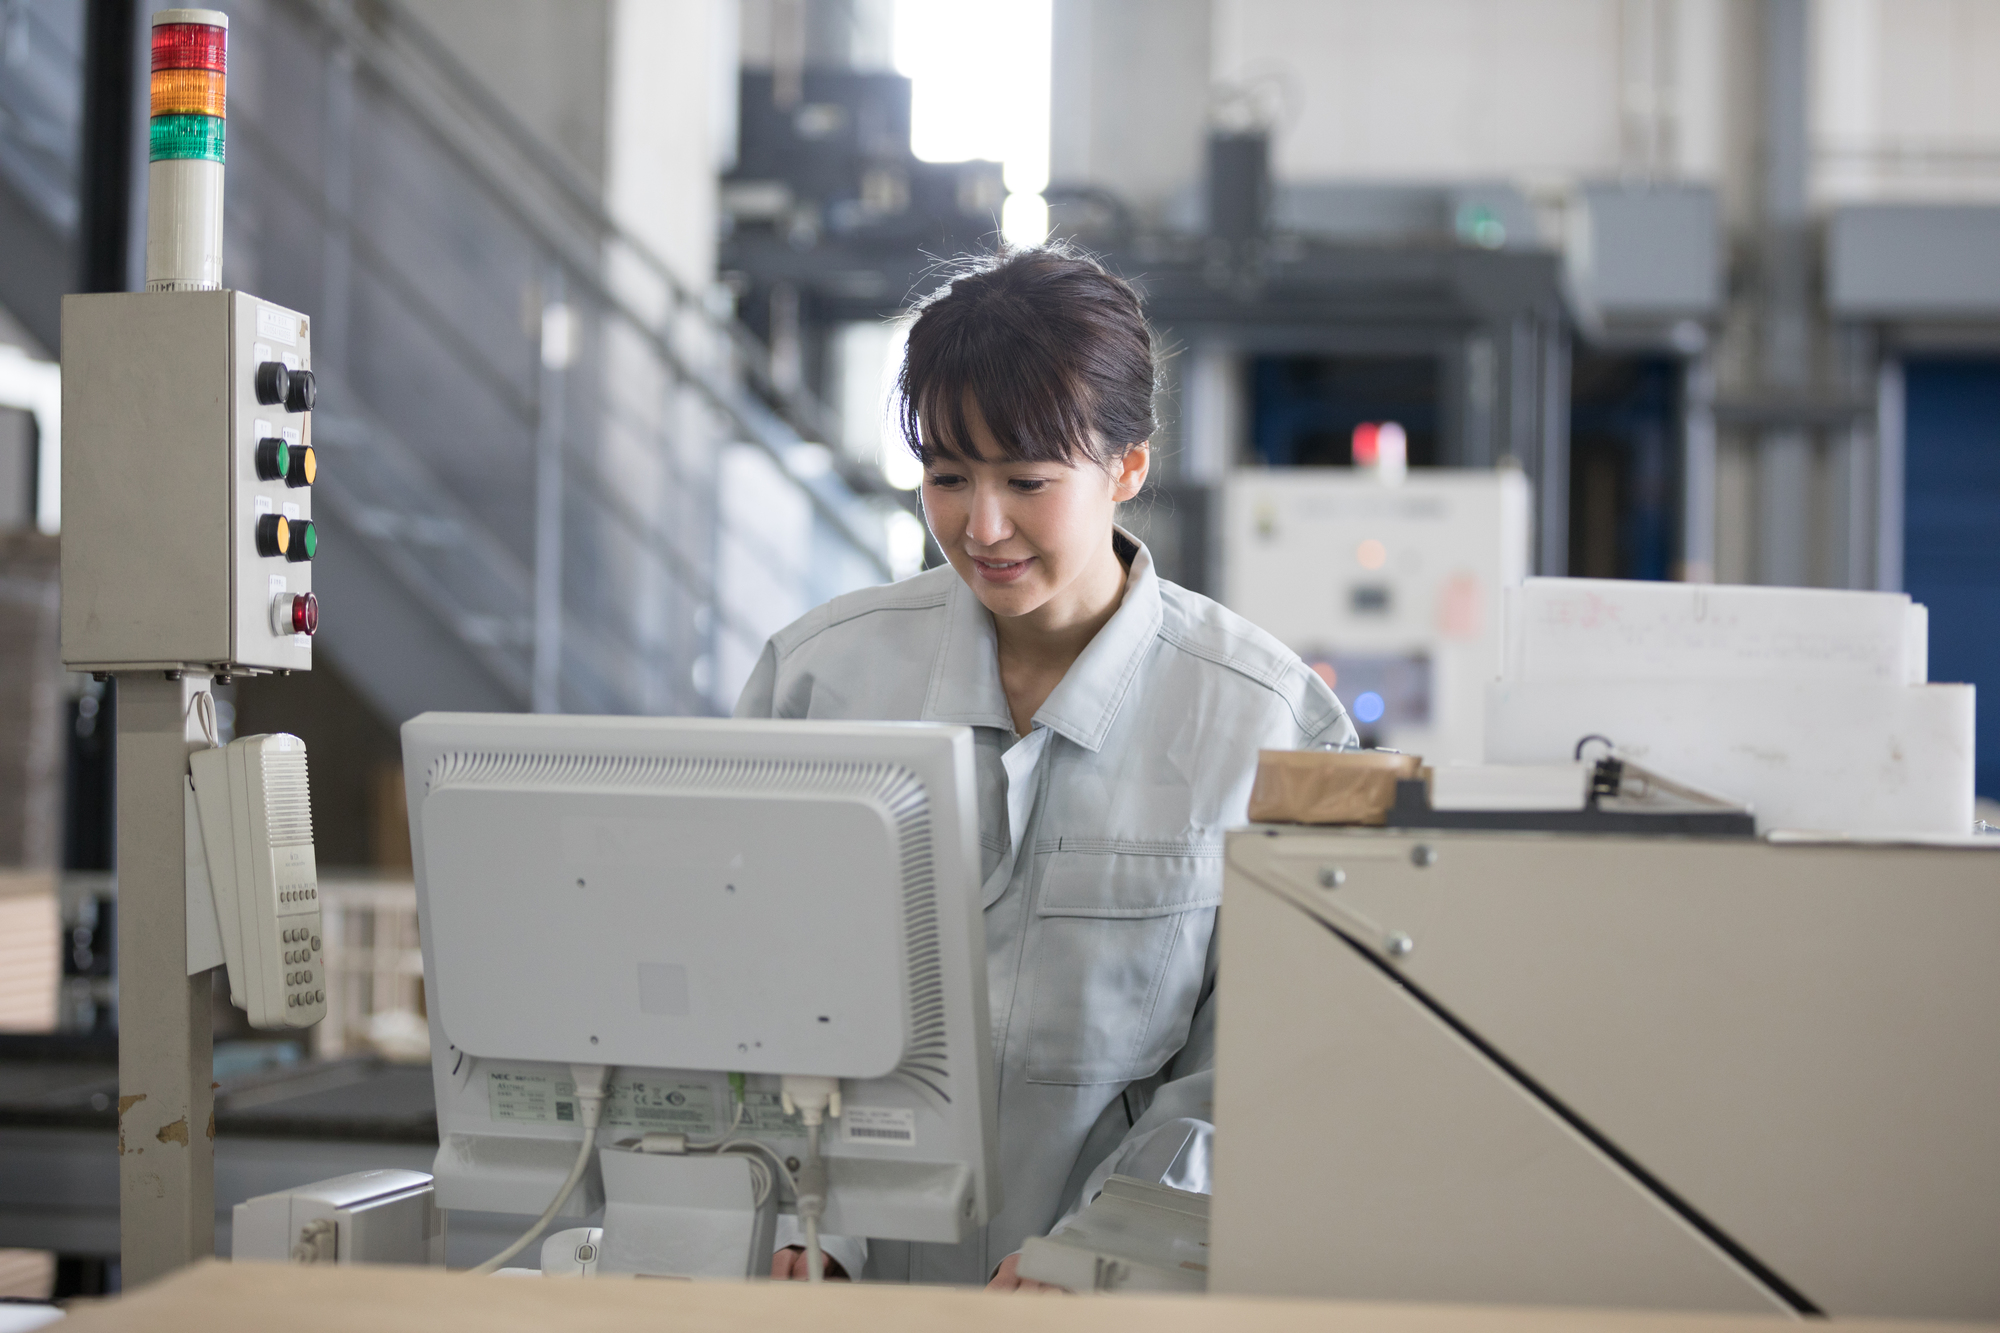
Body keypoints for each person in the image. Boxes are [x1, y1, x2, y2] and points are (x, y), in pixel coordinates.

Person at [737, 245, 1355, 1288]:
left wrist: (1094, 1251)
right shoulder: (817, 681)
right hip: (839, 1292)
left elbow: (1260, 1057)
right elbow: (745, 986)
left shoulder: (1266, 720)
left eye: (1025, 480)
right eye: (945, 478)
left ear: (1127, 465)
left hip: (1112, 1297)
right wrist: (805, 1220)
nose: (980, 528)